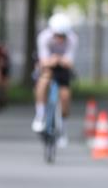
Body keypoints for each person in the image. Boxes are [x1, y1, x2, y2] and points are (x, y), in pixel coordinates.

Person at [31, 13, 77, 146]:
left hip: (62, 67)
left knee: (65, 96)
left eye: (63, 36)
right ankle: (40, 115)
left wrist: (58, 59)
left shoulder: (73, 39)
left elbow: (69, 62)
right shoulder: (44, 37)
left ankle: (62, 128)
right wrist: (55, 60)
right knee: (43, 81)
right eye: (57, 36)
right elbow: (43, 61)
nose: (60, 39)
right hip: (48, 65)